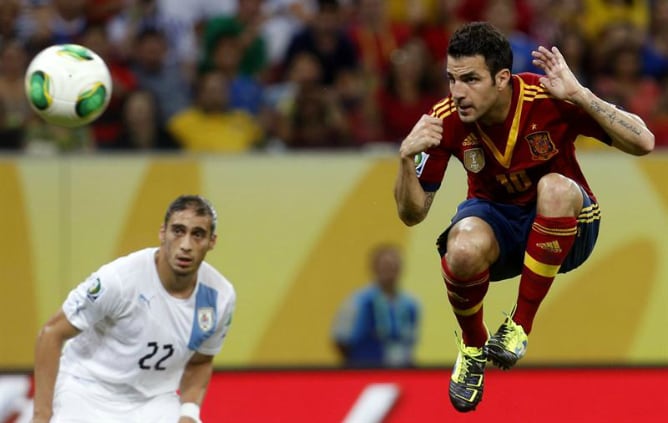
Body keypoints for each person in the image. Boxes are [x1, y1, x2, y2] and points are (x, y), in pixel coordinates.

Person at [393, 21, 654, 412]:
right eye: (451, 78)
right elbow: (412, 215)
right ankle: (473, 346)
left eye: (470, 79)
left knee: (554, 187)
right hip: (500, 228)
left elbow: (644, 142)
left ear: (502, 78)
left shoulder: (546, 97)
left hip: (570, 226)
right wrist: (404, 159)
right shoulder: (445, 118)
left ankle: (519, 325)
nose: (457, 92)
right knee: (459, 248)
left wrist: (581, 94)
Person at [31, 195, 236, 423]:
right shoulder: (118, 280)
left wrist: (189, 413)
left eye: (197, 234)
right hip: (87, 390)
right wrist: (41, 416)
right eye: (178, 231)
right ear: (162, 233)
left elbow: (201, 361)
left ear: (212, 241)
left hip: (154, 401)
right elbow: (51, 334)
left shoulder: (220, 297)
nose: (186, 245)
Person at [332, 244, 420, 368]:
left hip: (400, 371)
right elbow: (340, 339)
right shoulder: (358, 301)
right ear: (375, 268)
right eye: (385, 266)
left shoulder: (411, 304)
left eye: (393, 267)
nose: (389, 271)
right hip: (365, 370)